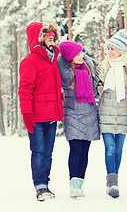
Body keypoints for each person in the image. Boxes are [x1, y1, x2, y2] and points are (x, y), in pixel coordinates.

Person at [18, 22, 64, 201]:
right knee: (38, 151)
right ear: (38, 38)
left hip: (51, 114)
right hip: (36, 116)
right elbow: (24, 89)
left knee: (48, 152)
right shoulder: (29, 62)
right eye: (47, 35)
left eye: (53, 36)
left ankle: (45, 183)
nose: (51, 38)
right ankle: (40, 186)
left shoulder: (54, 59)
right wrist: (26, 113)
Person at [57, 41, 100, 198]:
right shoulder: (67, 74)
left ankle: (80, 183)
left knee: (85, 151)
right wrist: (65, 54)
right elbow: (61, 61)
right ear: (69, 57)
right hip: (73, 113)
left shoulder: (87, 71)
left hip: (89, 113)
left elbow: (95, 88)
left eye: (82, 53)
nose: (82, 56)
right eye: (77, 54)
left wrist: (83, 57)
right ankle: (73, 184)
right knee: (76, 149)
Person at [94, 30, 127, 198]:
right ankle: (112, 183)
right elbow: (95, 89)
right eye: (108, 49)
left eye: (113, 49)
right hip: (106, 115)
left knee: (119, 150)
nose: (109, 52)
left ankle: (114, 178)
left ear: (121, 51)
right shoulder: (103, 68)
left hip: (123, 115)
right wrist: (99, 88)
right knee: (110, 149)